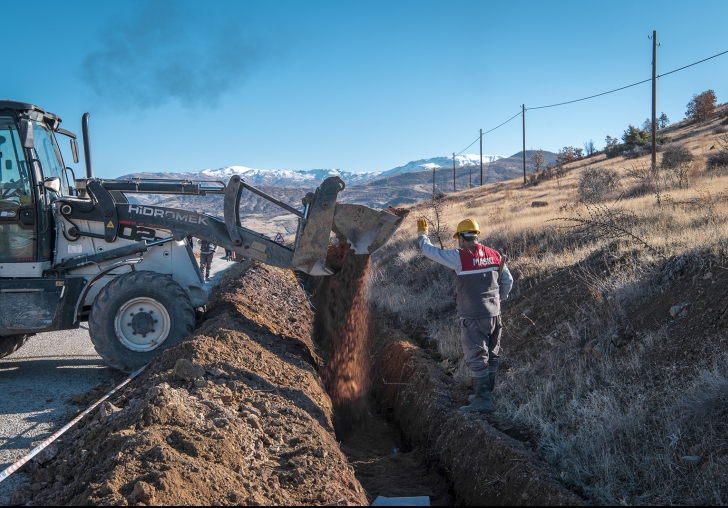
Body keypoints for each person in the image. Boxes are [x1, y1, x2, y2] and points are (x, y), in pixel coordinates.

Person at [417, 217, 513, 413]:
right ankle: (487, 394)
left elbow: (430, 252)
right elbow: (508, 280)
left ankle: (482, 400)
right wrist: (497, 301)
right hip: (494, 315)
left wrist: (422, 235)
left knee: (477, 356)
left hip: (473, 315)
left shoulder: (460, 257)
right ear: (476, 235)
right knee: (492, 354)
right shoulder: (494, 254)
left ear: (461, 238)